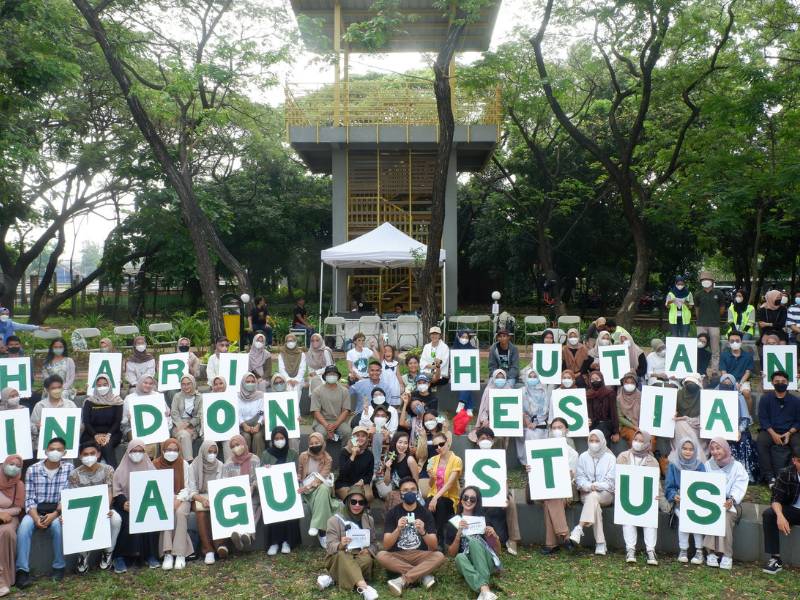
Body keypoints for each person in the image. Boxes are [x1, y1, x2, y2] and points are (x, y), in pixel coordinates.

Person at [14, 437, 74, 587]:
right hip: (35, 510)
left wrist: (55, 515)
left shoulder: (69, 469)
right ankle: (22, 570)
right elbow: (29, 499)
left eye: (59, 450)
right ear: (46, 451)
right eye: (52, 449)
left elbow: (67, 496)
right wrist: (35, 518)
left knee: (57, 528)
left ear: (65, 452)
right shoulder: (33, 469)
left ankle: (59, 566)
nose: (55, 452)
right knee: (23, 529)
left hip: (55, 511)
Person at [376, 477, 446, 596]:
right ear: (400, 493)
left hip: (420, 554)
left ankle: (402, 580)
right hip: (398, 555)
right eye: (405, 490)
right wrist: (398, 529)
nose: (409, 492)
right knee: (381, 555)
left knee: (439, 555)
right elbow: (386, 546)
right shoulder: (392, 513)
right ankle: (422, 575)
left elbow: (434, 546)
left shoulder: (425, 513)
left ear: (417, 492)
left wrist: (423, 531)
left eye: (413, 489)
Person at [318, 484, 379, 600]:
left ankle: (333, 577)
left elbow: (374, 543)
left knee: (367, 561)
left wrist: (368, 550)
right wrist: (340, 545)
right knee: (343, 555)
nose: (357, 505)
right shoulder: (334, 520)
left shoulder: (369, 520)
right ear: (347, 502)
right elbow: (329, 547)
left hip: (359, 555)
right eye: (353, 502)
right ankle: (363, 587)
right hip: (339, 555)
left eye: (361, 502)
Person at [68, 442, 122, 574]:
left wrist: (105, 508)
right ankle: (83, 555)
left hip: (105, 508)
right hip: (82, 511)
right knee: (79, 523)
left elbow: (110, 492)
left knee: (116, 520)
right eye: (85, 454)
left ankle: (108, 552)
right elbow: (74, 497)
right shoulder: (74, 474)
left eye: (92, 453)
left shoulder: (108, 469)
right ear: (80, 456)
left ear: (98, 454)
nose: (89, 456)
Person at [110, 440, 160, 573]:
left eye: (140, 451)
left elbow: (156, 486)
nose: (137, 454)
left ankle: (149, 555)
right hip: (126, 504)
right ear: (128, 452)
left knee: (150, 520)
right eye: (133, 451)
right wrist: (124, 503)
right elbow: (117, 491)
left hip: (146, 503)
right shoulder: (120, 470)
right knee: (126, 521)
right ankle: (120, 557)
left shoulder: (150, 468)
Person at [445, 487, 501, 600]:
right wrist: (458, 533)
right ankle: (485, 590)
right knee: (459, 557)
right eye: (465, 497)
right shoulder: (454, 521)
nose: (468, 501)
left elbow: (497, 551)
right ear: (461, 500)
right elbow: (451, 554)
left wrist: (494, 537)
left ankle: (483, 588)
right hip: (467, 565)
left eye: (472, 499)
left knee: (474, 543)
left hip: (485, 562)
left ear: (477, 502)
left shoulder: (483, 520)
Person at [531, 418, 578, 554]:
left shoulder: (572, 453)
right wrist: (531, 468)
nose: (557, 430)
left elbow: (573, 479)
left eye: (560, 427)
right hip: (547, 490)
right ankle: (565, 535)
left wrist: (569, 475)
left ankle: (551, 544)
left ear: (566, 430)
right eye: (554, 427)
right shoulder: (543, 449)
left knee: (550, 500)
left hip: (567, 491)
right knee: (551, 497)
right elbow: (539, 473)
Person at [473, 427, 522, 555]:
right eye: (483, 438)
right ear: (477, 441)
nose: (486, 441)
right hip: (478, 496)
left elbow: (503, 480)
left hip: (496, 495)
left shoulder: (498, 457)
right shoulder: (472, 457)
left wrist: (504, 495)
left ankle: (513, 539)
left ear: (493, 441)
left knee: (510, 500)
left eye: (489, 438)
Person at [703, 438, 748, 570]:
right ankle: (710, 553)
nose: (715, 452)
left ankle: (727, 555)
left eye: (718, 448)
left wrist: (732, 500)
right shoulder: (707, 465)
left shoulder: (737, 466)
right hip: (713, 503)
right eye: (712, 449)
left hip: (731, 504)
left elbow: (740, 486)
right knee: (713, 513)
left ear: (726, 448)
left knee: (726, 516)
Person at [616, 430, 660, 565]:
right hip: (627, 495)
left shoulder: (652, 461)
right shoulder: (623, 456)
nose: (637, 443)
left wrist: (658, 495)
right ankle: (630, 549)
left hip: (645, 497)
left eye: (641, 441)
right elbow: (617, 478)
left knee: (649, 519)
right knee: (627, 517)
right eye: (636, 439)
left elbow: (656, 482)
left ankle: (651, 550)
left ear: (647, 443)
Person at [570, 429, 616, 555]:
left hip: (606, 494)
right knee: (594, 503)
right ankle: (600, 543)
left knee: (594, 496)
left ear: (602, 441)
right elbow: (579, 479)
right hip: (587, 493)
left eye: (597, 440)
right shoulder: (583, 456)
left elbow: (612, 482)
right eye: (591, 440)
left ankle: (579, 527)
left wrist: (597, 485)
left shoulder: (610, 458)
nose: (594, 443)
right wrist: (589, 486)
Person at [260, 426, 302, 556]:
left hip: (289, 489)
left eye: (282, 438)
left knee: (290, 510)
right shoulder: (266, 454)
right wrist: (265, 469)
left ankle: (287, 541)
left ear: (286, 439)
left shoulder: (293, 454)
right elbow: (261, 473)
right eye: (276, 438)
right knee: (274, 512)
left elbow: (297, 472)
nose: (279, 441)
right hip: (272, 490)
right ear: (272, 440)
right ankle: (274, 542)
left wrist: (297, 476)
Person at [153, 438, 193, 570]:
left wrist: (178, 499)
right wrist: (168, 500)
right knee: (167, 512)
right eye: (169, 450)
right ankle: (168, 553)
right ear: (163, 450)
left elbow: (188, 487)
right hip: (162, 498)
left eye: (175, 450)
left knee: (181, 513)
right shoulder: (155, 464)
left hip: (182, 497)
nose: (172, 452)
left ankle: (180, 553)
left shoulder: (184, 464)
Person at [665, 438, 706, 564]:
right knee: (684, 516)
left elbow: (704, 485)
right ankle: (683, 549)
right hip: (680, 502)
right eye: (684, 448)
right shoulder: (673, 465)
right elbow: (669, 487)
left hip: (697, 502)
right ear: (679, 449)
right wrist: (674, 496)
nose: (688, 452)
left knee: (696, 516)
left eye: (691, 449)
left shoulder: (700, 466)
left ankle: (699, 550)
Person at [757, 370, 800, 486]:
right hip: (770, 430)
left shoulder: (796, 401)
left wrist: (789, 433)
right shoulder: (765, 399)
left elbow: (798, 420)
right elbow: (763, 419)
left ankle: (795, 476)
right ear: (772, 383)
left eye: (783, 381)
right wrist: (773, 434)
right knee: (761, 442)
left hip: (790, 432)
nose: (780, 383)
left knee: (798, 446)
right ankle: (769, 476)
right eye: (777, 381)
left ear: (788, 383)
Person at [761, 448, 800, 574]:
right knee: (769, 514)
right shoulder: (785, 473)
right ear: (794, 461)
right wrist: (780, 516)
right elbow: (776, 499)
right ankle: (775, 559)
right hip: (793, 509)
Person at [189, 440, 227, 564]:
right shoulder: (193, 466)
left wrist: (213, 498)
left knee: (218, 508)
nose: (212, 454)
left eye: (215, 452)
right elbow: (192, 490)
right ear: (204, 451)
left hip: (215, 495)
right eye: (209, 452)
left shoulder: (220, 465)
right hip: (199, 497)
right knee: (201, 513)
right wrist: (202, 500)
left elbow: (221, 485)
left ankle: (220, 545)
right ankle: (208, 549)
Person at [718, 374, 759, 483]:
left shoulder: (739, 397)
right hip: (718, 430)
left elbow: (745, 418)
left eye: (729, 384)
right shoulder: (714, 395)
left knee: (743, 441)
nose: (726, 386)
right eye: (724, 384)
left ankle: (743, 474)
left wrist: (739, 430)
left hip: (737, 430)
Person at [222, 435, 261, 550]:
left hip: (252, 494)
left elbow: (257, 478)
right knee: (236, 508)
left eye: (238, 445)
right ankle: (238, 536)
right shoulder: (228, 463)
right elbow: (225, 481)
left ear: (244, 443)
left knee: (255, 506)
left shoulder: (255, 459)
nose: (236, 448)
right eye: (233, 446)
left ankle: (248, 534)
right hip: (235, 496)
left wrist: (252, 487)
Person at [299, 432, 337, 548]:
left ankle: (316, 526)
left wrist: (310, 486)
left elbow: (322, 477)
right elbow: (299, 472)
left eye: (317, 443)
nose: (314, 445)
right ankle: (322, 533)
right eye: (311, 443)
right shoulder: (303, 456)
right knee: (323, 493)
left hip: (317, 485)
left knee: (324, 489)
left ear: (323, 443)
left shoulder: (328, 459)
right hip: (305, 488)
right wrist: (298, 478)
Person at [425, 431, 462, 546]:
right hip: (433, 494)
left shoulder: (456, 460)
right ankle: (429, 539)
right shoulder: (432, 460)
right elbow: (431, 485)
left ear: (447, 442)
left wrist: (435, 498)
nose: (439, 447)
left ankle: (440, 539)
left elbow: (450, 484)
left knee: (440, 503)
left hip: (450, 497)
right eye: (435, 446)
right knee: (426, 507)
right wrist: (431, 477)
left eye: (441, 444)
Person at [80, 374, 123, 467]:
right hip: (91, 433)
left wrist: (108, 435)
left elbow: (117, 421)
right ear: (95, 386)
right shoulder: (89, 401)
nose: (102, 387)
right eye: (99, 385)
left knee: (106, 444)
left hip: (112, 433)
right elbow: (86, 422)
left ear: (110, 385)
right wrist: (96, 436)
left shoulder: (117, 401)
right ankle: (93, 474)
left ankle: (113, 473)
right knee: (95, 445)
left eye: (104, 384)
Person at [30, 375, 77, 450]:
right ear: (47, 390)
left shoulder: (70, 404)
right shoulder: (40, 406)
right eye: (53, 388)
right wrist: (37, 426)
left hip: (67, 446)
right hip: (46, 446)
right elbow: (31, 425)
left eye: (59, 387)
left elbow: (79, 425)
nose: (57, 390)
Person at [516, 369, 552, 464]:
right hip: (524, 421)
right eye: (530, 377)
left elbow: (545, 410)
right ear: (526, 378)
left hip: (539, 421)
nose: (532, 379)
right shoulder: (522, 391)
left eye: (534, 377)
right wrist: (527, 421)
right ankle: (528, 463)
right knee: (528, 432)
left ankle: (537, 462)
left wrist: (535, 423)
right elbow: (518, 408)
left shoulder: (543, 392)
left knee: (533, 433)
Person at [377, 431, 420, 509]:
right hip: (397, 490)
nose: (402, 445)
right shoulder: (391, 458)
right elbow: (387, 483)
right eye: (400, 442)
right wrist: (388, 469)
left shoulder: (410, 460)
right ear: (395, 443)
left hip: (409, 492)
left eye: (405, 443)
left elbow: (416, 482)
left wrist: (407, 493)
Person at [0, 455, 23, 595]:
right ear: (4, 464)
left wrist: (4, 514)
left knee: (6, 532)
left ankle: (4, 580)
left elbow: (18, 508)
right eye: (11, 464)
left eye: (18, 466)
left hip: (10, 519)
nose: (14, 467)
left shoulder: (18, 485)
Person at [311, 365, 352, 441]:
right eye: (329, 374)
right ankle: (320, 453)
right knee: (321, 434)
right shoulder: (317, 391)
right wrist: (327, 426)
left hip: (339, 421)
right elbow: (316, 412)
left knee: (348, 432)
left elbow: (345, 411)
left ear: (338, 376)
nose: (331, 376)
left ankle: (346, 451)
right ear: (325, 376)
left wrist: (335, 425)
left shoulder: (344, 391)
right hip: (321, 422)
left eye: (334, 374)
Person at [695, 271, 725, 371]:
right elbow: (697, 310)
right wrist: (702, 318)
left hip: (714, 325)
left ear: (712, 281)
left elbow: (722, 309)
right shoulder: (698, 294)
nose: (705, 281)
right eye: (703, 280)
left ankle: (715, 371)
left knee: (715, 350)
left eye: (707, 280)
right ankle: (699, 370)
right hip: (701, 325)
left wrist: (715, 316)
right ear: (701, 282)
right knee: (699, 348)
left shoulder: (719, 293)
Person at [335, 426, 374, 501]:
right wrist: (353, 455)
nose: (360, 438)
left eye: (363, 436)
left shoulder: (369, 454)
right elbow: (343, 473)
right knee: (353, 498)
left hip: (361, 483)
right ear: (352, 438)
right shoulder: (344, 452)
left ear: (366, 438)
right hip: (345, 483)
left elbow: (369, 474)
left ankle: (365, 511)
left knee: (368, 496)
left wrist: (362, 481)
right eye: (357, 436)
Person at [673, 374, 706, 462]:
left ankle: (699, 459)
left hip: (698, 427)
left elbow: (706, 417)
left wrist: (690, 420)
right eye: (689, 382)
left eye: (693, 383)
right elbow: (672, 412)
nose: (691, 384)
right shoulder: (678, 394)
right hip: (680, 425)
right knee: (680, 424)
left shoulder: (704, 396)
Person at [719, 331, 754, 411]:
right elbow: (723, 372)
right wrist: (731, 382)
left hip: (743, 381)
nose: (735, 343)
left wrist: (740, 383)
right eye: (732, 341)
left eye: (737, 341)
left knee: (746, 393)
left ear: (741, 341)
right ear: (728, 342)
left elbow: (747, 372)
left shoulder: (748, 356)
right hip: (728, 380)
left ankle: (748, 416)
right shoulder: (724, 355)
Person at [170, 374, 202, 460]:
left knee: (185, 436)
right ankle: (189, 461)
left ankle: (185, 462)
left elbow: (199, 415)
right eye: (183, 384)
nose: (186, 386)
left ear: (193, 384)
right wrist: (181, 425)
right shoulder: (177, 396)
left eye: (188, 384)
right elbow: (174, 413)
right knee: (184, 435)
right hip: (178, 425)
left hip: (193, 426)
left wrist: (189, 425)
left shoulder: (200, 397)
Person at [586, 371, 620, 443]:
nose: (595, 381)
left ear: (601, 379)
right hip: (593, 424)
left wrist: (616, 432)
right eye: (592, 379)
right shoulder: (588, 395)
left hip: (606, 424)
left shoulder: (609, 393)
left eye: (597, 378)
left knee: (600, 433)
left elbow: (613, 413)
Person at [238, 372, 265, 456]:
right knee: (245, 437)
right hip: (242, 425)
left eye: (253, 381)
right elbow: (237, 412)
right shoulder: (237, 396)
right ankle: (245, 461)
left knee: (257, 437)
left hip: (258, 425)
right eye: (248, 382)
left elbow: (261, 411)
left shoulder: (260, 395)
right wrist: (243, 425)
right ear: (243, 383)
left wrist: (258, 424)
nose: (250, 384)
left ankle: (259, 462)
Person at [41, 338, 76, 402]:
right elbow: (46, 378)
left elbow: (71, 378)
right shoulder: (46, 362)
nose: (58, 349)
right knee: (51, 394)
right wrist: (53, 388)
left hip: (66, 388)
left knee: (62, 394)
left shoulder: (69, 361)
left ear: (64, 348)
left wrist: (62, 388)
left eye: (60, 347)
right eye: (55, 347)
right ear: (52, 348)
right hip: (50, 387)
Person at [453, 331, 476, 415]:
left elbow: (475, 365)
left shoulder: (473, 350)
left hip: (469, 374)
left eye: (466, 337)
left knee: (467, 381)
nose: (464, 339)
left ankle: (461, 403)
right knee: (465, 382)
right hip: (457, 374)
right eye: (463, 337)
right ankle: (469, 407)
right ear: (459, 337)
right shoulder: (454, 349)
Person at [616, 371, 643, 446]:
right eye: (627, 382)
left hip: (640, 424)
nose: (629, 385)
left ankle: (649, 456)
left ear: (636, 384)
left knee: (651, 437)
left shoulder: (640, 396)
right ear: (623, 384)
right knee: (634, 436)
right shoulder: (619, 398)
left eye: (632, 383)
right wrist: (634, 427)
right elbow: (620, 417)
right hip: (626, 426)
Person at [378, 344, 403, 408]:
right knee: (384, 403)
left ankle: (394, 412)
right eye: (385, 351)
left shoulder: (395, 363)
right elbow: (381, 351)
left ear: (393, 353)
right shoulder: (382, 362)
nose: (387, 353)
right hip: (384, 386)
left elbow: (398, 375)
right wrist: (381, 342)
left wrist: (401, 385)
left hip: (394, 386)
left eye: (389, 351)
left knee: (394, 404)